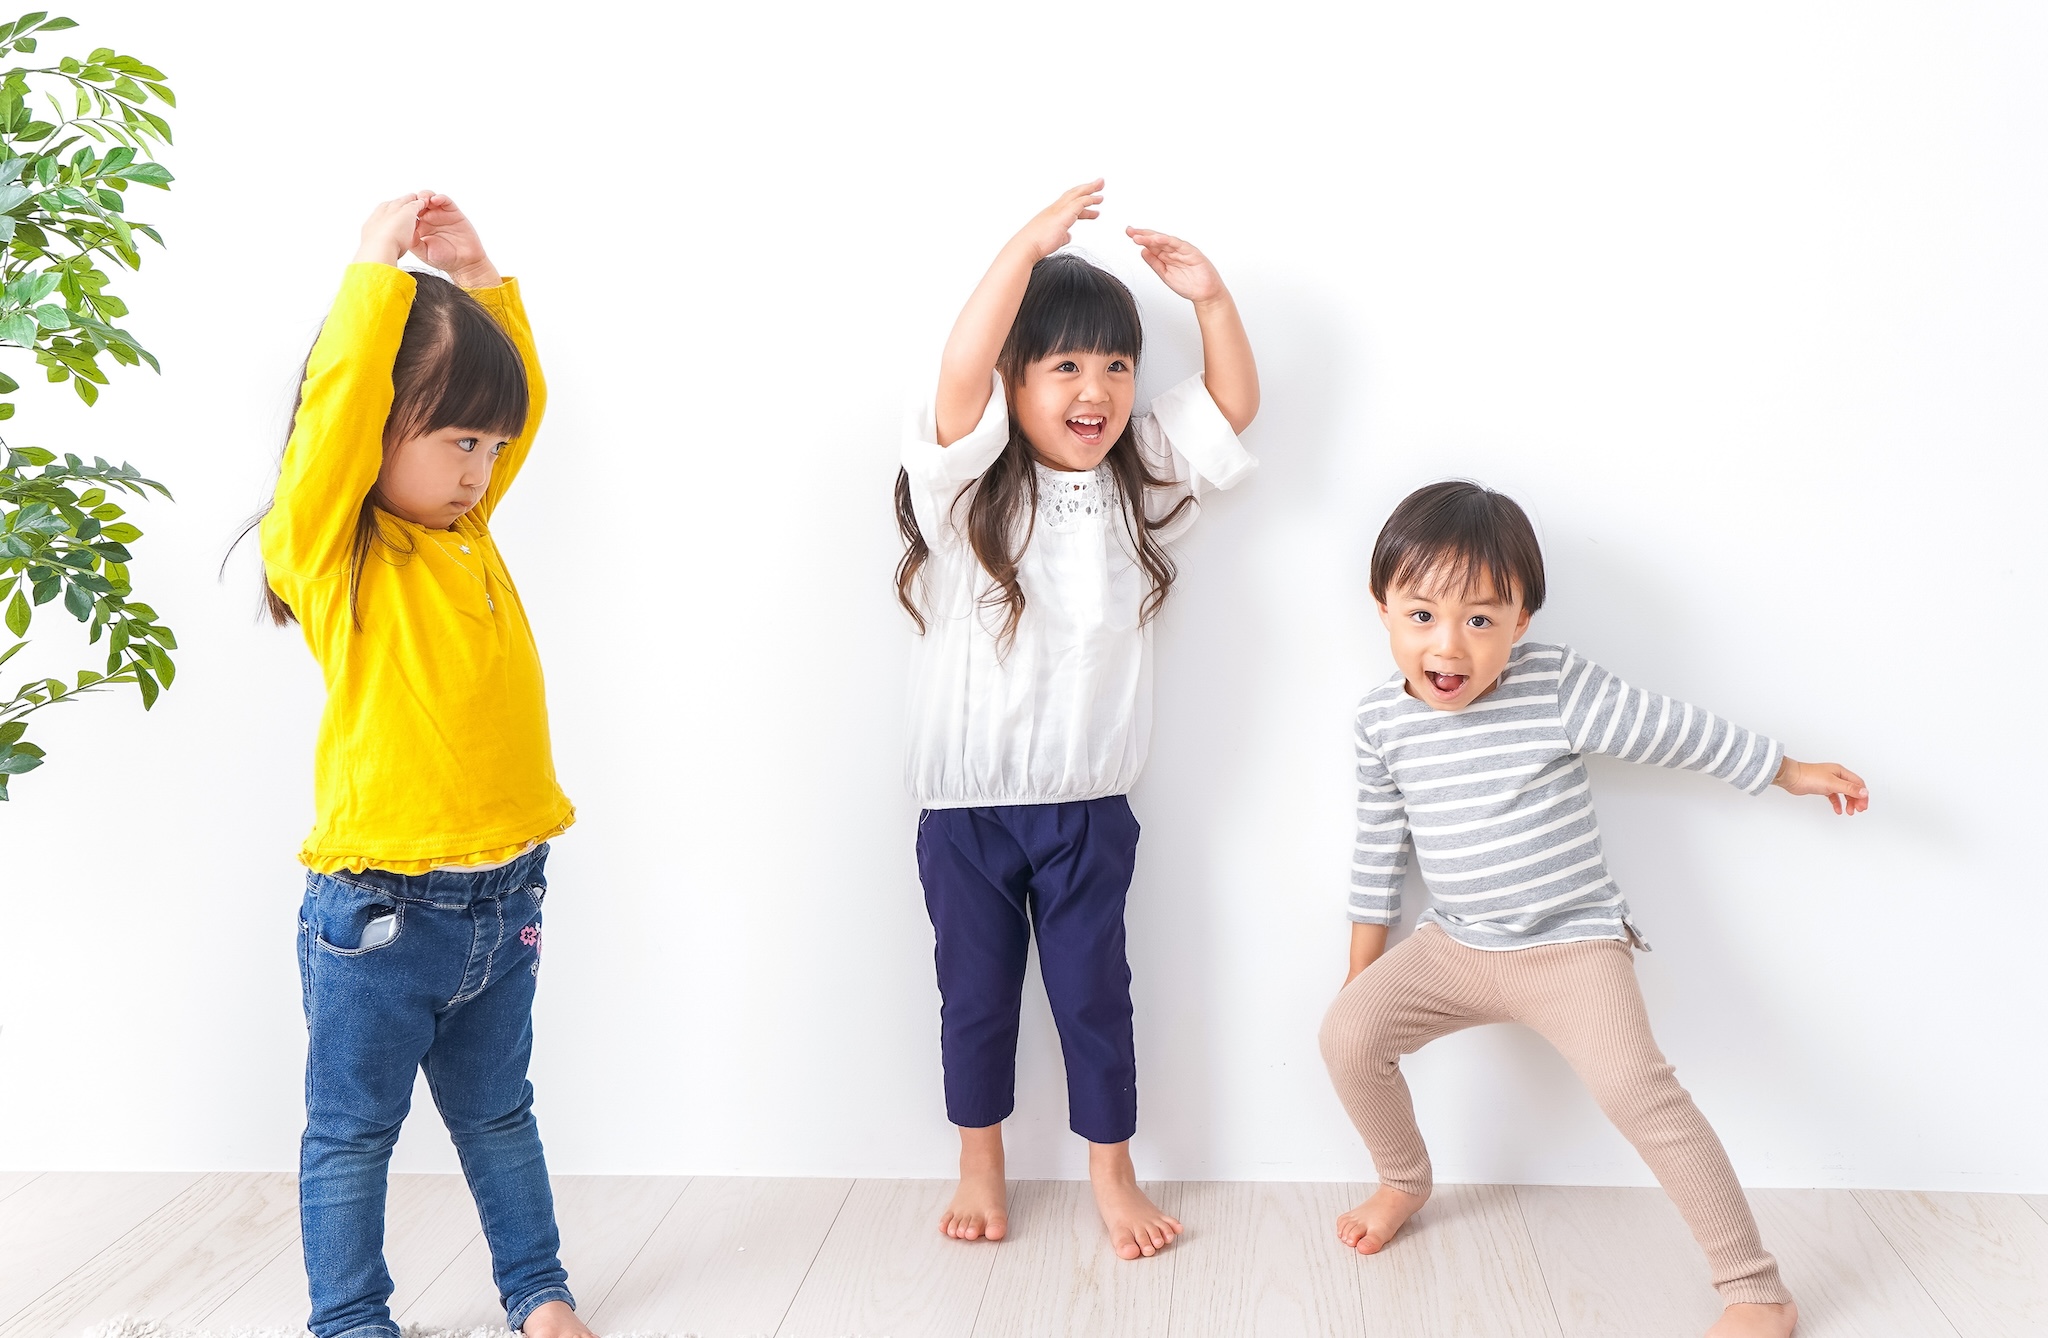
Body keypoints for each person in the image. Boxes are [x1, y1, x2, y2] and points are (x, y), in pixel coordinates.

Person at [1320, 479, 1868, 1338]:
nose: (1449, 645)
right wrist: (1361, 974)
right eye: (1422, 615)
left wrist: (1786, 769)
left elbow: (1671, 728)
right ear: (1382, 607)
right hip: (1455, 947)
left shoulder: (1553, 685)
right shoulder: (1380, 722)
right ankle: (1403, 1180)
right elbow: (1377, 849)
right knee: (1347, 1037)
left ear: (1521, 622)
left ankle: (1757, 1289)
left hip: (1572, 947)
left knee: (1637, 1091)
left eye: (1480, 619)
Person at [895, 180, 1260, 1260]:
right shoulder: (965, 494)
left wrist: (1211, 299)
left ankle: (1113, 1171)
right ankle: (980, 1162)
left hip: (1088, 808)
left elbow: (1230, 405)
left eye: (1115, 365)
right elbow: (957, 372)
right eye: (1063, 366)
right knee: (975, 998)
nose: (1095, 388)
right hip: (965, 811)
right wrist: (1023, 247)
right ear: (1014, 382)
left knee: (1095, 996)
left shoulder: (1135, 486)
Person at [257, 192, 592, 1338]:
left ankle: (537, 1292)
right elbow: (338, 409)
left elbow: (521, 403)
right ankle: (351, 1319)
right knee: (353, 1132)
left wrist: (485, 282)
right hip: (378, 916)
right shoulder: (334, 557)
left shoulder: (467, 535)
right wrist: (373, 267)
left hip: (505, 898)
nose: (481, 470)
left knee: (499, 1115)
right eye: (459, 442)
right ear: (379, 434)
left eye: (489, 449)